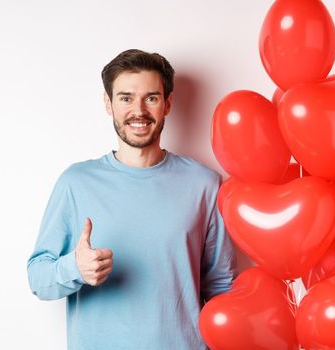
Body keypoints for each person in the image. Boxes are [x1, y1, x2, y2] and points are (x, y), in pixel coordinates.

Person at [26, 49, 236, 349]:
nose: (138, 110)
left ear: (168, 104)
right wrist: (75, 268)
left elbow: (222, 288)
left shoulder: (204, 184)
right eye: (125, 97)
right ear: (108, 104)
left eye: (151, 97)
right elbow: (38, 279)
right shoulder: (76, 182)